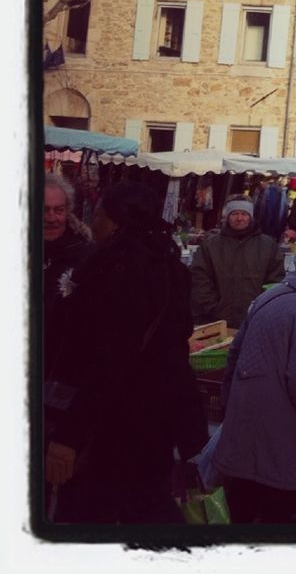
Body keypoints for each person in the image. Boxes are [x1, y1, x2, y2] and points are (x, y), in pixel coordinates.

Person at [44, 181, 207, 524]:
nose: (95, 221)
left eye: (99, 214)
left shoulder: (114, 271)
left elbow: (107, 362)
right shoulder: (168, 266)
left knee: (88, 515)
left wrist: (69, 436)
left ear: (115, 221)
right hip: (154, 426)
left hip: (111, 429)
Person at [211, 234, 296, 523]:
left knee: (240, 508)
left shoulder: (267, 296)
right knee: (275, 514)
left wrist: (228, 407)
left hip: (245, 430)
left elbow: (234, 356)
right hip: (281, 437)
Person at [190, 197, 284, 329]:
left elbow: (275, 282)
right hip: (215, 321)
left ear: (251, 217)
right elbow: (199, 279)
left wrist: (262, 309)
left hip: (255, 321)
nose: (239, 218)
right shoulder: (211, 245)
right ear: (227, 217)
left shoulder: (268, 246)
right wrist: (212, 308)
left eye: (244, 214)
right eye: (234, 213)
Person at [42, 173, 94, 376]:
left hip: (62, 368)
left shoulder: (85, 254)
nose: (52, 218)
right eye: (44, 210)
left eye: (59, 210)